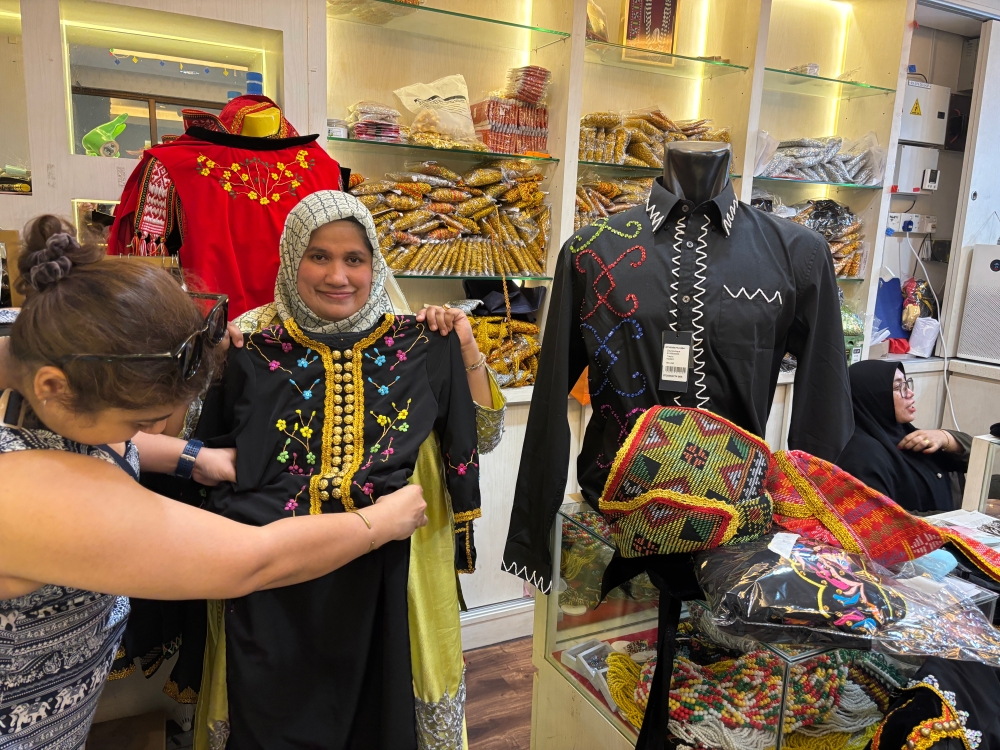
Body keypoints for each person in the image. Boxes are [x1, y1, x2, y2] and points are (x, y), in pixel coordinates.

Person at [0, 215, 428, 750]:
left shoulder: (37, 359)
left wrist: (192, 457)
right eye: (139, 421)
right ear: (53, 387)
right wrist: (376, 524)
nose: (153, 430)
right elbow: (254, 561)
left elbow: (98, 438)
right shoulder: (33, 498)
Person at [144, 190, 503, 750]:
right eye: (319, 257)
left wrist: (465, 349)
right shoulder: (248, 337)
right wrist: (210, 365)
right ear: (292, 259)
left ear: (374, 264)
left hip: (398, 557)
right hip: (273, 571)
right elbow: (177, 437)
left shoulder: (417, 335)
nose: (338, 276)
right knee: (271, 706)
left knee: (388, 705)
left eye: (354, 259)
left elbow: (483, 436)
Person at [837, 359, 971, 513]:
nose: (910, 393)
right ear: (872, 397)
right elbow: (881, 519)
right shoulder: (862, 456)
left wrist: (946, 437)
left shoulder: (906, 434)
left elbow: (979, 459)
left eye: (906, 384)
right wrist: (952, 521)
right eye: (898, 387)